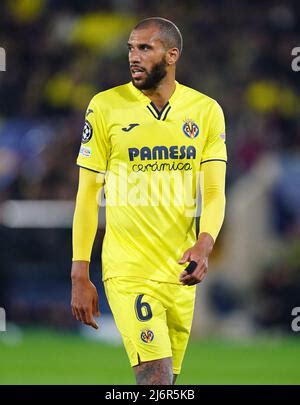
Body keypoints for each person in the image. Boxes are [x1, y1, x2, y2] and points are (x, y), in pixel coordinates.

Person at [71, 17, 227, 385]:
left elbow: (216, 192)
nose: (134, 57)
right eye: (130, 48)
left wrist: (204, 245)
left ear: (172, 55)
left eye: (145, 48)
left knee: (165, 385)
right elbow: (88, 193)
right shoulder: (106, 106)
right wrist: (80, 271)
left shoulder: (205, 111)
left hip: (180, 273)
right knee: (155, 379)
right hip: (128, 270)